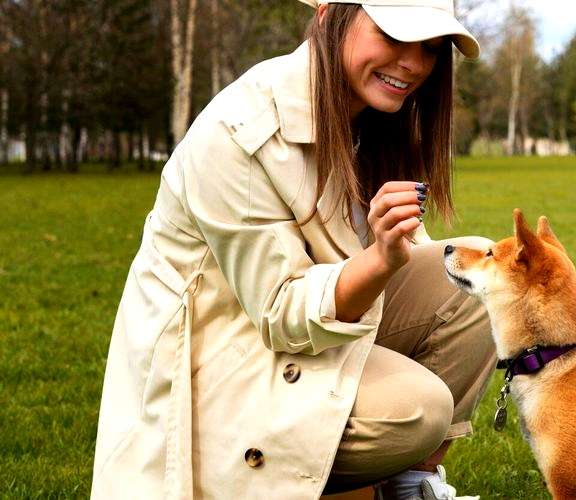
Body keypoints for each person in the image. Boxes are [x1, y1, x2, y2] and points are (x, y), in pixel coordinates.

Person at [90, 1, 495, 498]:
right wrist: (379, 260)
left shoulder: (375, 117)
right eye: (393, 35)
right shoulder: (242, 130)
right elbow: (281, 311)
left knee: (477, 274)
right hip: (229, 361)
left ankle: (412, 486)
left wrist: (391, 253)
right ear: (330, 17)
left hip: (317, 330)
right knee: (416, 407)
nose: (413, 62)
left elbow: (403, 262)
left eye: (431, 47)